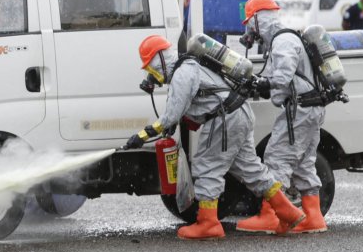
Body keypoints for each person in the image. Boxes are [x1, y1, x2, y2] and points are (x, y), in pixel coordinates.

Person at [123, 35, 305, 240]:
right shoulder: (190, 66)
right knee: (250, 168)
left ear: (160, 60)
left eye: (152, 68)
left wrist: (143, 135)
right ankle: (288, 212)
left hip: (225, 119)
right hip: (238, 113)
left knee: (207, 166)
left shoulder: (183, 74)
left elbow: (171, 115)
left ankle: (208, 223)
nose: (153, 75)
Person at [237, 0, 329, 234]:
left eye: (250, 24)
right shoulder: (286, 37)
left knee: (277, 157)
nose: (249, 31)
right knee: (304, 163)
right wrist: (265, 85)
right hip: (310, 109)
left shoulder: (283, 41)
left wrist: (265, 86)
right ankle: (314, 216)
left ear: (258, 19)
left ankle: (269, 215)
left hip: (299, 110)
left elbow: (283, 77)